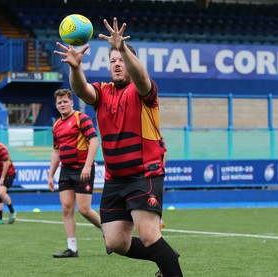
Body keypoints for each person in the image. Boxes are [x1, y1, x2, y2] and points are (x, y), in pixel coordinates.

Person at [54, 18, 183, 277]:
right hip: (115, 179)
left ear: (130, 62)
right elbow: (82, 91)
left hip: (144, 173)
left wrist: (122, 48)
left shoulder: (143, 91)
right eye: (112, 60)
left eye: (121, 59)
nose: (116, 63)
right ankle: (167, 257)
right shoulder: (103, 92)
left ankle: (170, 267)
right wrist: (76, 68)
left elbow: (142, 76)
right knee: (115, 242)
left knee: (148, 234)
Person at [47, 88, 103, 258]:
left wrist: (87, 166)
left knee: (84, 209)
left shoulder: (81, 118)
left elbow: (94, 141)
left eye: (65, 101)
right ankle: (72, 248)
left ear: (72, 102)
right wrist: (50, 175)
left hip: (82, 169)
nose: (62, 104)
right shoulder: (56, 125)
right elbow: (56, 151)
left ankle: (106, 231)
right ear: (56, 105)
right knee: (66, 208)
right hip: (66, 171)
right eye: (59, 102)